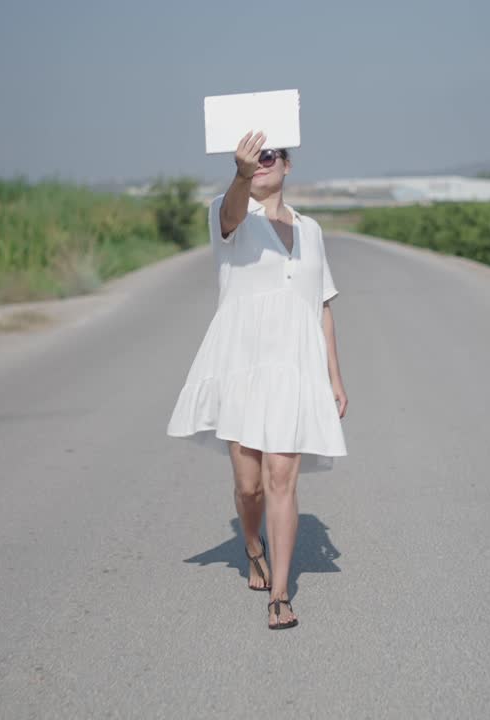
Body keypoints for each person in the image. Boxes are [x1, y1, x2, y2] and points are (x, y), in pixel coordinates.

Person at [167, 131, 348, 630]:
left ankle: (281, 595)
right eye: (251, 158)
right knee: (250, 489)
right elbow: (229, 214)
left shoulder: (311, 230)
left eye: (269, 157)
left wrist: (334, 376)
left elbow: (323, 306)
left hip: (295, 367)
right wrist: (241, 174)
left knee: (282, 479)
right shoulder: (231, 215)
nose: (261, 163)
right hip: (243, 366)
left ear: (287, 165)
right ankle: (253, 545)